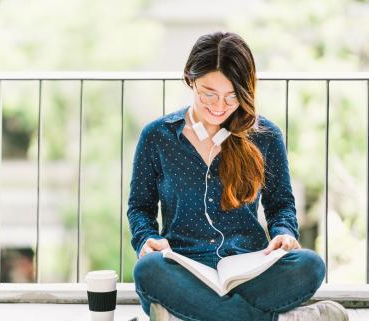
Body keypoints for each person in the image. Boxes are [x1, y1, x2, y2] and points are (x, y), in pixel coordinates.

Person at [127, 31, 348, 321]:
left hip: (250, 268)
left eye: (232, 96)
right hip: (184, 269)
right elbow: (140, 208)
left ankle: (188, 313)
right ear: (189, 79)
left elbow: (281, 204)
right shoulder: (157, 136)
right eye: (209, 94)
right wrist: (146, 238)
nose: (219, 107)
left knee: (310, 265)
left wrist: (284, 233)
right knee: (148, 271)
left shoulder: (265, 136)